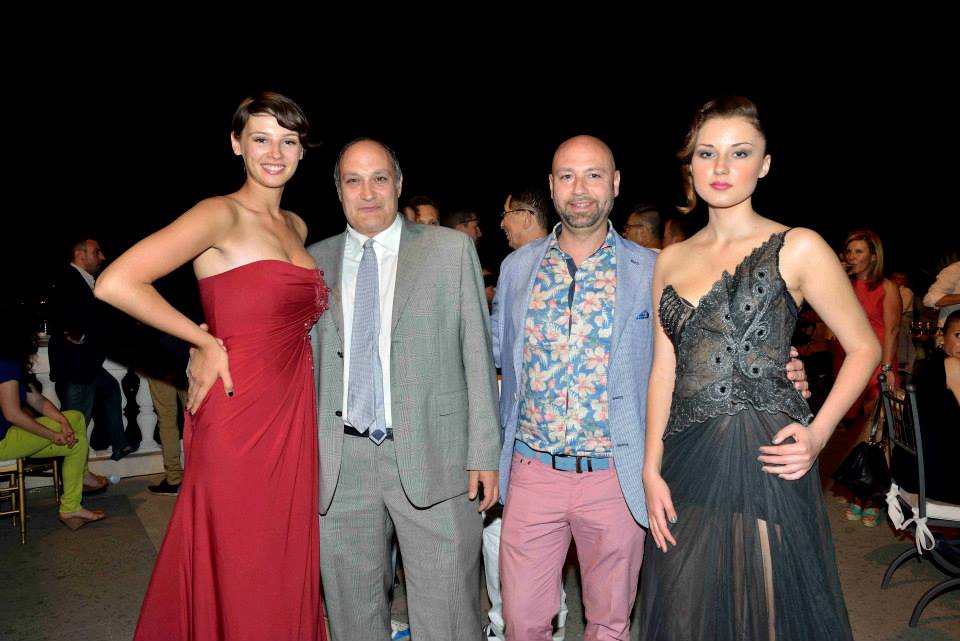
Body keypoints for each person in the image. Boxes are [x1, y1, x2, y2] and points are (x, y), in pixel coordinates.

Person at [493, 134, 812, 640]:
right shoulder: (517, 269)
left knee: (610, 623)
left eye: (594, 175)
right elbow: (493, 359)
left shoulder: (652, 268)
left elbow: (704, 353)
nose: (581, 189)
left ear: (615, 184)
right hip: (532, 472)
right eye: (568, 176)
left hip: (615, 477)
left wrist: (776, 366)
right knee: (521, 623)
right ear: (552, 187)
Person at [640, 96, 879, 641]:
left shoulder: (799, 246)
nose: (721, 167)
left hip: (765, 453)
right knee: (685, 610)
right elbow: (662, 372)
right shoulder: (669, 260)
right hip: (685, 455)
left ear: (765, 164)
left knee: (765, 613)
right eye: (707, 153)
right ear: (691, 164)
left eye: (740, 152)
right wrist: (651, 469)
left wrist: (818, 435)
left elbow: (864, 347)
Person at [95, 92, 328, 641]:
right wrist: (202, 341)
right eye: (261, 139)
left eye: (288, 141)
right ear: (236, 145)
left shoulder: (296, 226)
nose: (275, 153)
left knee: (280, 551)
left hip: (292, 410)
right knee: (242, 551)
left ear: (302, 151)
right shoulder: (218, 213)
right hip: (236, 407)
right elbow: (116, 283)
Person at [307, 138, 500, 641]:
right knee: (352, 615)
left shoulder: (449, 250)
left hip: (436, 455)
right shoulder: (311, 262)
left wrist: (484, 452)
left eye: (379, 178)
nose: (368, 192)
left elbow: (477, 356)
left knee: (448, 614)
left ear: (398, 183)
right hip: (341, 463)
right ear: (338, 190)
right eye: (353, 181)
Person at [0, 307, 108, 529]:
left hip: (7, 436)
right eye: (33, 331)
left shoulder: (11, 363)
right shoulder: (5, 364)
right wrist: (53, 435)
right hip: (3, 442)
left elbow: (38, 401)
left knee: (75, 422)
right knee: (76, 439)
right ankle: (72, 503)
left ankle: (75, 497)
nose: (36, 335)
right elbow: (12, 413)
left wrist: (62, 421)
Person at [48, 237, 135, 460]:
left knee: (111, 389)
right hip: (75, 365)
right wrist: (79, 334)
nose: (102, 257)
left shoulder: (85, 280)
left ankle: (119, 443)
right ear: (80, 254)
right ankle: (72, 473)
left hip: (86, 363)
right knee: (76, 421)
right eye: (97, 252)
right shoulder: (69, 278)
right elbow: (65, 314)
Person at [838, 230, 901, 526]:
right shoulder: (844, 285)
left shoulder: (887, 287)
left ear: (874, 256)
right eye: (849, 251)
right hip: (852, 361)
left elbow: (892, 330)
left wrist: (887, 369)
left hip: (878, 362)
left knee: (877, 434)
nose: (852, 256)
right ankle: (859, 489)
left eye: (859, 251)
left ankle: (873, 497)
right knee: (856, 432)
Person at [892, 309, 960, 504]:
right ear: (942, 336)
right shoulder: (953, 364)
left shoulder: (928, 364)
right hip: (936, 476)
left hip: (913, 468)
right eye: (958, 335)